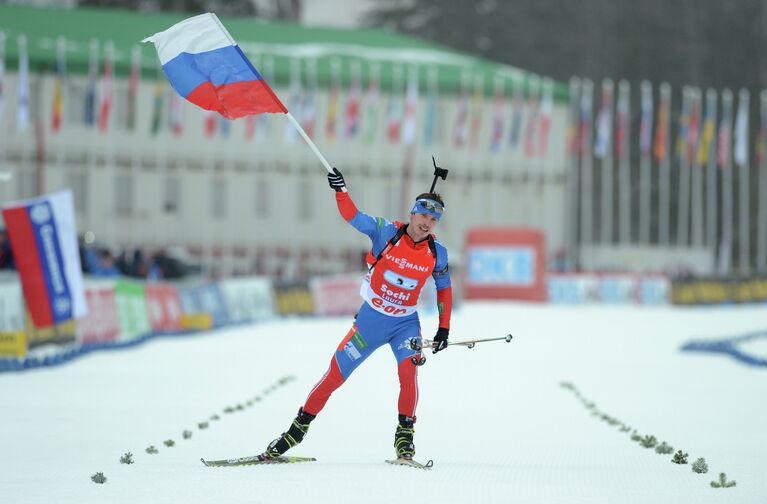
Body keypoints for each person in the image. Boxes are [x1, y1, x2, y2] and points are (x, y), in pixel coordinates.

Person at [259, 167, 453, 462]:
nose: (428, 223)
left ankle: (404, 438)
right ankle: (296, 431)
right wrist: (341, 191)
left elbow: (444, 288)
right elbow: (354, 216)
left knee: (409, 372)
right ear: (412, 214)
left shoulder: (437, 252)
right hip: (370, 323)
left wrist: (444, 329)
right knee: (335, 375)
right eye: (424, 215)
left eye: (434, 218)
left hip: (405, 325)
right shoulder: (386, 232)